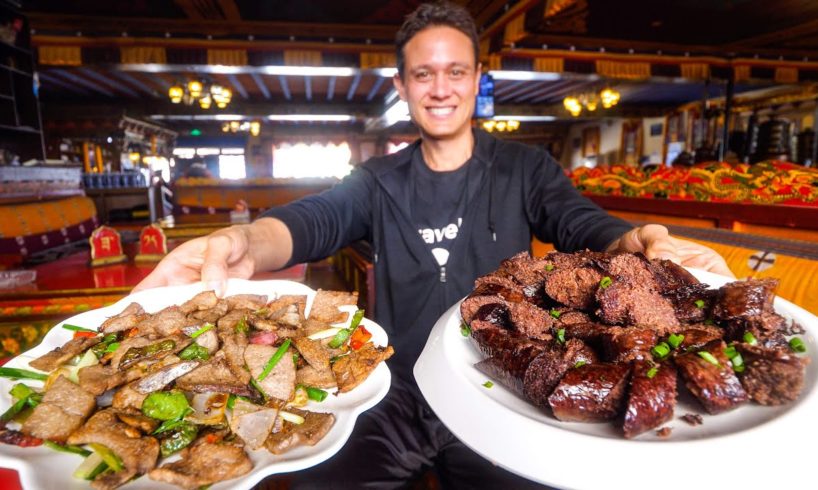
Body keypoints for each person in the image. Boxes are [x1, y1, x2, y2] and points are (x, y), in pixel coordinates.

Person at [135, 2, 733, 488]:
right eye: (424, 73)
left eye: (455, 71)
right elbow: (311, 219)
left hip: (499, 388)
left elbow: (579, 222)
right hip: (394, 393)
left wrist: (637, 240)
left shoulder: (524, 169)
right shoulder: (377, 180)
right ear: (402, 85)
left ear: (477, 79)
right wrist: (243, 241)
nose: (440, 87)